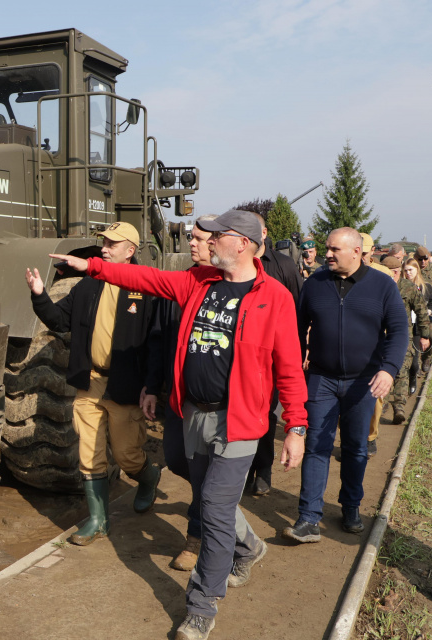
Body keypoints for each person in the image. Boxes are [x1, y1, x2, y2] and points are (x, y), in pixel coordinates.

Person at [50, 209, 308, 640]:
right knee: (210, 501)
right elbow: (144, 279)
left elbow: (290, 369)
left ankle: (202, 606)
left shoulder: (275, 297)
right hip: (194, 413)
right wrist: (92, 265)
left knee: (215, 508)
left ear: (240, 243)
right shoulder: (197, 283)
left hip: (240, 421)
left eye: (217, 236)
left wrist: (296, 428)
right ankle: (250, 547)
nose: (207, 242)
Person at [26, 221, 159, 546]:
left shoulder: (146, 290)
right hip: (90, 382)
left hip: (127, 387)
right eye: (103, 242)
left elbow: (156, 342)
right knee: (90, 453)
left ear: (130, 251)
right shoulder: (87, 286)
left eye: (112, 244)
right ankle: (99, 521)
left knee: (127, 454)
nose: (104, 247)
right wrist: (40, 296)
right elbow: (59, 321)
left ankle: (147, 475)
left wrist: (153, 385)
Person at [285, 228, 408, 544]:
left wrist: (389, 371)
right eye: (326, 248)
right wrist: (295, 366)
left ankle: (351, 506)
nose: (327, 254)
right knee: (316, 445)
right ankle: (309, 518)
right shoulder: (315, 284)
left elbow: (397, 332)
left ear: (356, 251)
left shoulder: (381, 286)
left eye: (334, 249)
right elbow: (297, 330)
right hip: (321, 379)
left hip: (363, 381)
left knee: (355, 448)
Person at [141, 214, 216, 572]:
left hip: (215, 404)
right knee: (175, 459)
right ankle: (218, 505)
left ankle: (196, 538)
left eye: (199, 238)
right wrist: (153, 388)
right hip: (176, 397)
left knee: (204, 476)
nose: (192, 243)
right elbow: (157, 340)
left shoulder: (230, 289)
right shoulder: (178, 284)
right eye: (191, 237)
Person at [246, 213, 303, 495]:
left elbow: (298, 311)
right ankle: (244, 470)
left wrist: (298, 354)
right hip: (243, 357)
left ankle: (264, 469)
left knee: (266, 416)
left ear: (264, 233)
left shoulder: (283, 265)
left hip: (272, 358)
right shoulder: (237, 265)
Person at [381, 256, 431, 424]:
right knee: (384, 371)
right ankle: (383, 405)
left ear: (396, 272)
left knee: (402, 371)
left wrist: (425, 335)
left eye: (390, 273)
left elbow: (422, 311)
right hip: (380, 338)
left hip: (403, 336)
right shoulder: (377, 288)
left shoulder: (408, 288)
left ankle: (399, 407)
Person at [357, 233, 395, 456]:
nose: (360, 258)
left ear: (372, 252)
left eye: (364, 253)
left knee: (376, 396)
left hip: (376, 343)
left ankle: (370, 436)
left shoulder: (383, 275)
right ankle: (350, 439)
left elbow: (393, 313)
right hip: (352, 344)